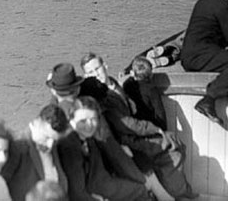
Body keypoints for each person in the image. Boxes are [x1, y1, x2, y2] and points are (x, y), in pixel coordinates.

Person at [81, 53, 196, 200]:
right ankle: (178, 194)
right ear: (85, 76)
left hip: (133, 134)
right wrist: (157, 130)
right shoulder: (100, 96)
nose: (96, 74)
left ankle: (177, 192)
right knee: (172, 147)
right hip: (125, 141)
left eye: (97, 68)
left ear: (105, 66)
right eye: (90, 72)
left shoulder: (116, 84)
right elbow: (126, 124)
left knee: (174, 144)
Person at [57, 96, 150, 201]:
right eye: (83, 121)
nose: (89, 126)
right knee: (140, 191)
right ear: (71, 119)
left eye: (93, 119)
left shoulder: (86, 137)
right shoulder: (70, 147)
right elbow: (76, 193)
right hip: (87, 191)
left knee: (138, 188)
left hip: (98, 183)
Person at [1, 105, 69, 201]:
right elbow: (1, 184)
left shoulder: (53, 146)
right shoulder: (18, 146)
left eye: (55, 140)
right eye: (47, 137)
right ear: (36, 123)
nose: (50, 145)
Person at [123, 56, 168, 130]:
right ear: (150, 74)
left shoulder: (127, 85)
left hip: (134, 124)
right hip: (149, 124)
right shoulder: (151, 89)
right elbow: (159, 111)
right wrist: (163, 129)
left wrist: (131, 76)